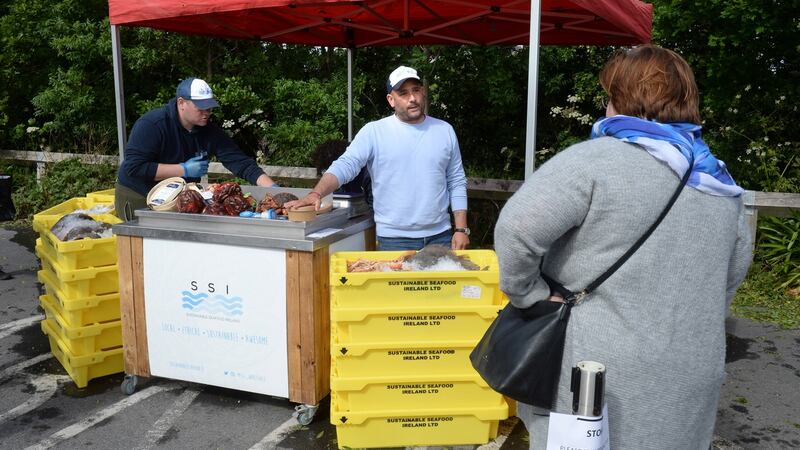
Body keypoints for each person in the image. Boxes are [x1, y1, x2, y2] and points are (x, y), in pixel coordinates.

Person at [493, 45, 752, 449]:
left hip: (598, 370)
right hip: (691, 369)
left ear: (621, 99)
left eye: (608, 96)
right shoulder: (721, 182)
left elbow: (517, 229)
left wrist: (529, 294)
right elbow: (732, 274)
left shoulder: (595, 162)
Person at [285, 66, 470, 251]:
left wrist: (461, 228)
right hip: (394, 240)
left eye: (416, 90)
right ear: (391, 100)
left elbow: (456, 181)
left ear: (422, 92)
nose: (412, 98)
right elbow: (345, 165)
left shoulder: (444, 130)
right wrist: (316, 194)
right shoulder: (374, 132)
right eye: (403, 93)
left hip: (441, 236)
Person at [115, 77, 277, 220]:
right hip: (138, 194)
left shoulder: (210, 131)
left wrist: (274, 191)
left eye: (209, 107)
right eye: (200, 107)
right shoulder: (152, 124)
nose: (206, 112)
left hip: (179, 197)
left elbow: (241, 163)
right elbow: (134, 167)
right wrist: (183, 170)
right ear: (181, 103)